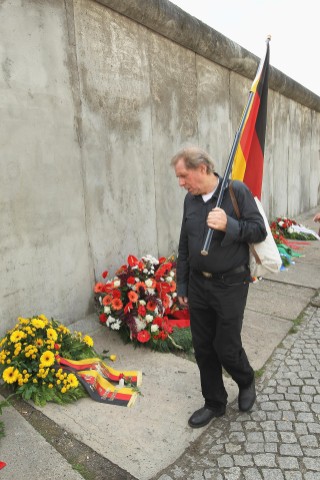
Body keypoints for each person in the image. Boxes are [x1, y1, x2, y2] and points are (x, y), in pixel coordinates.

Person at [171, 146, 267, 429]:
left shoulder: (236, 192)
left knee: (226, 345)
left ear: (202, 168)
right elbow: (185, 245)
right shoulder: (191, 201)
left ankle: (246, 380)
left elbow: (259, 229)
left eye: (183, 175)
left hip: (231, 283)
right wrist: (182, 284)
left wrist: (230, 225)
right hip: (200, 285)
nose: (181, 183)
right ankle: (214, 402)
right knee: (202, 347)